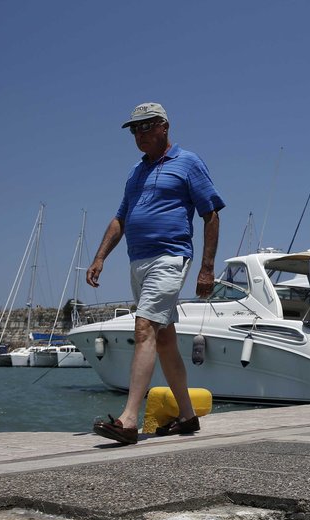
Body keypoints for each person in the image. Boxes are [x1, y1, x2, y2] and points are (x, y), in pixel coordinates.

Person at [85, 102, 224, 445]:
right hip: (139, 260)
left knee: (144, 326)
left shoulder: (188, 162)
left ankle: (129, 420)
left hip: (171, 256)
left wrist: (207, 268)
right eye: (134, 129)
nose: (139, 134)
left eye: (146, 127)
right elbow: (120, 218)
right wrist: (99, 257)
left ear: (164, 126)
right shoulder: (135, 172)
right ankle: (188, 416)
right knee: (164, 339)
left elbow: (211, 214)